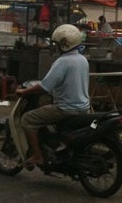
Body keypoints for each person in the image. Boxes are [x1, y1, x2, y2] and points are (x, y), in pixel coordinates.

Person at [15, 24, 90, 167]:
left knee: (27, 119)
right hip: (83, 106)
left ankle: (37, 156)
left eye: (56, 44)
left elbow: (45, 87)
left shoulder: (62, 61)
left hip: (66, 108)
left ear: (64, 44)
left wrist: (24, 92)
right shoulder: (82, 59)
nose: (54, 47)